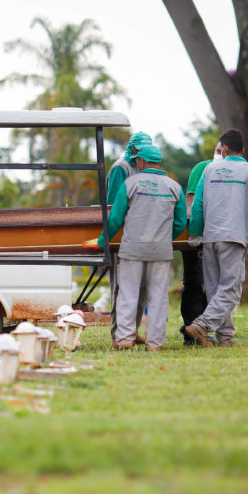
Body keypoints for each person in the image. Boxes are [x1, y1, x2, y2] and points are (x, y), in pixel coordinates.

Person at [83, 144, 187, 351]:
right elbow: (180, 222)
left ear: (140, 161)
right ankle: (155, 343)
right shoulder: (175, 187)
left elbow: (114, 219)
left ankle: (124, 339)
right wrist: (165, 239)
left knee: (128, 294)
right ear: (157, 161)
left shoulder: (130, 184)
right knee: (158, 296)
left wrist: (102, 241)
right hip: (160, 251)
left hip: (132, 250)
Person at [184, 129, 248, 347]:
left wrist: (195, 232)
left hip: (210, 238)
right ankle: (202, 325)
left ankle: (226, 337)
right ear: (242, 149)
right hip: (233, 237)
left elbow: (198, 204)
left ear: (225, 149)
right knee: (231, 289)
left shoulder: (209, 169)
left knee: (215, 290)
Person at [101, 131, 153, 344]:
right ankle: (118, 334)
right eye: (139, 150)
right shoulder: (121, 168)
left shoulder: (145, 167)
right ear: (132, 148)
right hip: (124, 236)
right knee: (122, 287)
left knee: (141, 287)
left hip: (142, 235)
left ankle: (132, 331)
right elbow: (114, 206)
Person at [179, 144, 222, 345]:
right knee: (194, 282)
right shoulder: (202, 168)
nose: (221, 152)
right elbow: (191, 202)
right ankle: (190, 329)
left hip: (219, 235)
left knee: (215, 284)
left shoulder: (237, 171)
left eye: (225, 149)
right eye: (219, 148)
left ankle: (205, 327)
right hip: (195, 235)